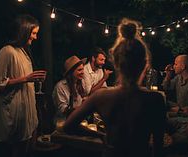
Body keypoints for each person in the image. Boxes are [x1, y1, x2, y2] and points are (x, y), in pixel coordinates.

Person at [63, 18, 166, 157]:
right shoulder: (156, 99)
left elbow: (68, 126)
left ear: (116, 62)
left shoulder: (101, 96)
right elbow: (158, 147)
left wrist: (99, 135)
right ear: (145, 64)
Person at [0, 14, 46, 157]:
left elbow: (26, 79)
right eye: (33, 33)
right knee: (16, 149)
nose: (35, 37)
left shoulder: (23, 52)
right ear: (24, 31)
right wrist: (26, 78)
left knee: (27, 147)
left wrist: (34, 78)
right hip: (14, 110)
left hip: (26, 108)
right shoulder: (7, 51)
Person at [52, 55, 86, 123]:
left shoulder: (80, 83)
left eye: (83, 69)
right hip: (63, 123)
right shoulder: (60, 86)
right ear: (71, 72)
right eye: (79, 70)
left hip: (77, 120)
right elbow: (62, 109)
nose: (83, 72)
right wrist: (80, 108)